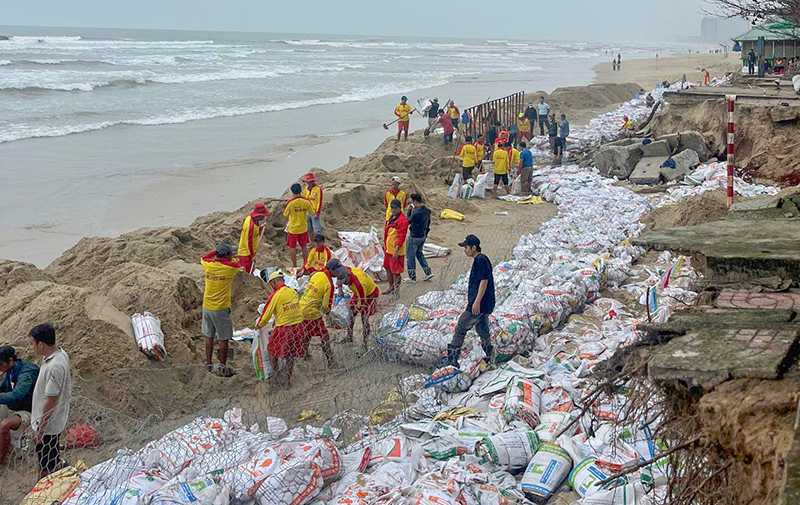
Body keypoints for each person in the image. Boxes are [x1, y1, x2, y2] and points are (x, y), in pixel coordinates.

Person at [443, 235, 495, 367]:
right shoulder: (481, 259)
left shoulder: (480, 260)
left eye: (466, 247)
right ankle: (489, 354)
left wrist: (476, 302)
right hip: (486, 303)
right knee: (482, 328)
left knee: (461, 327)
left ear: (474, 248)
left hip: (479, 304)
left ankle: (452, 360)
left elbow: (484, 281)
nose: (465, 250)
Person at [28, 324, 71, 478]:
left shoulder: (55, 366)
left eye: (32, 343)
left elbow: (51, 399)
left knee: (46, 463)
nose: (31, 347)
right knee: (50, 455)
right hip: (48, 422)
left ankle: (46, 488)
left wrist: (41, 428)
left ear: (41, 344)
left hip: (48, 424)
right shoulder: (57, 355)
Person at [201, 242, 243, 376]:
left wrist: (216, 252)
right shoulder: (229, 268)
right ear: (228, 256)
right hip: (221, 309)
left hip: (207, 306)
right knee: (223, 339)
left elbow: (204, 257)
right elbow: (239, 263)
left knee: (209, 336)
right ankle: (222, 367)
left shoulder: (208, 265)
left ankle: (208, 365)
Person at [256, 271, 304, 387]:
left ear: (273, 283)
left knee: (272, 351)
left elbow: (266, 315)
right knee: (290, 355)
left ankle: (277, 377)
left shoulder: (275, 296)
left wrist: (258, 325)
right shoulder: (292, 292)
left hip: (284, 328)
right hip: (298, 327)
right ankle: (287, 380)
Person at [0, 346, 39, 472]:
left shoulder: (27, 372)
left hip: (28, 410)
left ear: (10, 360)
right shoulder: (10, 371)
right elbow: (4, 388)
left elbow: (17, 395)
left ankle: (1, 460)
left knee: (5, 425)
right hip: (12, 407)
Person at [328, 260, 380, 348]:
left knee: (364, 318)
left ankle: (365, 344)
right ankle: (349, 337)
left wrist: (357, 309)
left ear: (348, 277)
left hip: (369, 294)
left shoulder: (358, 283)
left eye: (344, 282)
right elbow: (340, 278)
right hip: (358, 293)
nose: (345, 284)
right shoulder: (344, 270)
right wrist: (340, 289)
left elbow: (362, 301)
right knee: (350, 312)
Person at [297, 266, 338, 369]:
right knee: (324, 335)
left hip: (301, 306)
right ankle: (331, 361)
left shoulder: (318, 274)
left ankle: (304, 354)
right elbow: (325, 306)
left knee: (307, 332)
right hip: (311, 311)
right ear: (332, 270)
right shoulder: (329, 284)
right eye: (337, 271)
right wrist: (328, 314)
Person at [283, 183, 315, 268]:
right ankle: (305, 264)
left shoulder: (290, 203)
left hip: (293, 229)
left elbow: (285, 214)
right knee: (304, 246)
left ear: (293, 192)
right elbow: (312, 212)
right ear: (301, 191)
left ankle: (294, 265)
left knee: (292, 247)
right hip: (303, 228)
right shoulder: (306, 202)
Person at [405, 193, 433, 283]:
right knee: (419, 254)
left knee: (410, 256)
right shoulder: (427, 211)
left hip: (414, 236)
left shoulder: (416, 212)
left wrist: (409, 212)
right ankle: (428, 272)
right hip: (423, 236)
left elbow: (408, 221)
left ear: (414, 201)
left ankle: (412, 277)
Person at [237, 202, 270, 274]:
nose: (264, 217)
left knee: (251, 270)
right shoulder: (250, 227)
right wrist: (252, 256)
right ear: (259, 215)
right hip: (246, 254)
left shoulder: (253, 219)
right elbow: (248, 242)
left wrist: (260, 228)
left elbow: (254, 231)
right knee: (248, 273)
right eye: (263, 215)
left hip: (250, 252)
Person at [383, 199, 408, 296]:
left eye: (395, 208)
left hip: (395, 251)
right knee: (388, 268)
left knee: (396, 272)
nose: (393, 210)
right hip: (388, 249)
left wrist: (396, 251)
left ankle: (396, 291)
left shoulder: (402, 221)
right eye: (392, 208)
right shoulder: (391, 217)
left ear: (400, 208)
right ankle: (391, 287)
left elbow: (401, 238)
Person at [301, 173, 323, 242]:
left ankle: (318, 242)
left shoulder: (318, 189)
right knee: (309, 228)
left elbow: (320, 201)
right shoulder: (306, 189)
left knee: (317, 229)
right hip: (307, 211)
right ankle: (312, 242)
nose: (308, 183)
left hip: (314, 211)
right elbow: (303, 198)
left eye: (309, 182)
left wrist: (317, 212)